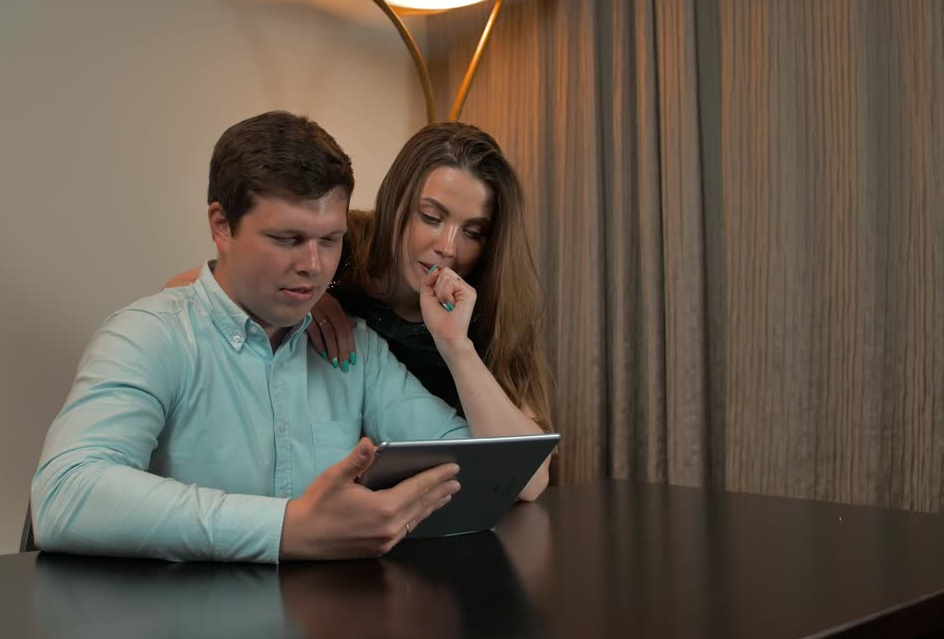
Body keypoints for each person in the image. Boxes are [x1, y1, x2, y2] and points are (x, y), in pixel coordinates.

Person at [31, 111, 549, 564]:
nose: (314, 266)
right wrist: (289, 528)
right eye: (287, 239)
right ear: (221, 224)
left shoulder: (360, 351)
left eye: (330, 240)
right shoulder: (149, 335)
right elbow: (63, 496)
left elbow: (488, 468)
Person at [167, 121, 553, 439]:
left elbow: (531, 478)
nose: (448, 248)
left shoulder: (486, 304)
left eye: (473, 232)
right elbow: (194, 288)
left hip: (446, 495)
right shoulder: (336, 247)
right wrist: (307, 296)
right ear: (395, 199)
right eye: (431, 217)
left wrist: (457, 346)